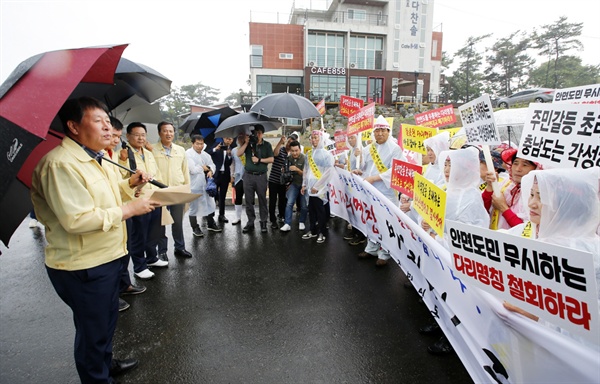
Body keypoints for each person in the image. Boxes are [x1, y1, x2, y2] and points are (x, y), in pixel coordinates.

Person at [31, 97, 159, 383]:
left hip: (108, 257)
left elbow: (107, 197)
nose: (107, 128)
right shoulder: (60, 165)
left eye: (107, 120)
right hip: (84, 265)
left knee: (105, 323)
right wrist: (130, 209)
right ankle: (96, 377)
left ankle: (105, 363)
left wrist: (130, 185)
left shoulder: (93, 158)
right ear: (73, 126)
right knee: (93, 331)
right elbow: (77, 220)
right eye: (98, 121)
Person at [503, 167, 600, 343]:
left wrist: (538, 316)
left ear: (567, 204)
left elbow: (590, 326)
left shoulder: (589, 256)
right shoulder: (533, 230)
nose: (531, 203)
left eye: (542, 197)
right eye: (531, 194)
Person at [353, 116, 405, 266]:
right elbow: (364, 168)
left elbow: (395, 171)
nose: (380, 133)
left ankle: (385, 253)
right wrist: (358, 165)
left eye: (383, 130)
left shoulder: (395, 149)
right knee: (371, 220)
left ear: (388, 131)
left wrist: (375, 178)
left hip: (386, 192)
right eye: (377, 131)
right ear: (373, 133)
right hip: (370, 191)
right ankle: (371, 248)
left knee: (385, 223)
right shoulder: (369, 148)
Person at [119, 122, 168, 280]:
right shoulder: (123, 154)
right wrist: (123, 161)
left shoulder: (147, 153)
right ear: (128, 136)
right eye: (136, 135)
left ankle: (152, 258)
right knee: (139, 234)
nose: (140, 138)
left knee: (153, 231)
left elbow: (157, 173)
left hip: (154, 197)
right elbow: (122, 177)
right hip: (138, 199)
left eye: (143, 135)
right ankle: (139, 266)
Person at [107, 117, 146, 312]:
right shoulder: (107, 157)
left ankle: (124, 284)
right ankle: (112, 296)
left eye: (116, 135)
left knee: (125, 247)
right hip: (114, 213)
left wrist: (132, 183)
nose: (114, 139)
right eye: (110, 134)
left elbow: (118, 186)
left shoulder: (108, 155)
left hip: (121, 209)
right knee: (112, 256)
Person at [152, 121, 193, 259]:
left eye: (171, 131)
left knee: (178, 221)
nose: (168, 134)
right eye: (165, 131)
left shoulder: (180, 150)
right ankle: (162, 251)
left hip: (177, 190)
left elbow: (185, 170)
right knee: (160, 224)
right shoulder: (152, 149)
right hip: (160, 191)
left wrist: (187, 188)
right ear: (159, 133)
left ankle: (179, 248)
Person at [482, 147, 541, 230]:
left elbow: (528, 231)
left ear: (536, 168)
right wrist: (490, 187)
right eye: (515, 163)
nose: (518, 169)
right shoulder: (506, 184)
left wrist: (503, 208)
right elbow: (481, 211)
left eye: (525, 165)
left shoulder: (538, 195)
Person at [236, 125, 274, 233]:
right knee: (249, 200)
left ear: (262, 133)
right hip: (248, 176)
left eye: (259, 133)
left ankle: (263, 222)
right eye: (255, 133)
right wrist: (246, 143)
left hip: (261, 176)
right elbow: (238, 153)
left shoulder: (266, 145)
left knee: (262, 199)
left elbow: (271, 159)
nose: (257, 135)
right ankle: (250, 222)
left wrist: (259, 160)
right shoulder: (249, 144)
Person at [302, 130, 334, 243]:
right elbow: (306, 170)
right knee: (311, 210)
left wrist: (318, 186)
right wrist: (304, 184)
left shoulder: (326, 154)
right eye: (312, 138)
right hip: (310, 188)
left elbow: (328, 172)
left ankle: (322, 232)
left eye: (316, 138)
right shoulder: (309, 153)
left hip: (320, 189)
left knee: (321, 211)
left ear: (321, 139)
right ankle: (313, 230)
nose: (314, 140)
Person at [186, 134, 220, 235]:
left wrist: (210, 170)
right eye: (197, 144)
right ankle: (195, 227)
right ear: (192, 143)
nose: (200, 146)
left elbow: (212, 165)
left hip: (206, 185)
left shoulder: (205, 155)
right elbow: (192, 170)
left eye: (201, 144)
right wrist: (203, 167)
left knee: (209, 204)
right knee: (194, 207)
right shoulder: (188, 154)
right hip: (194, 185)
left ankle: (211, 223)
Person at [280, 140, 307, 232]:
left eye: (296, 150)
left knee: (303, 205)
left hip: (304, 184)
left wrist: (297, 169)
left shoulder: (305, 158)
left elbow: (307, 175)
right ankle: (287, 223)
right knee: (289, 203)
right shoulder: (288, 159)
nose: (294, 153)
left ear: (300, 149)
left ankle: (302, 221)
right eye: (292, 151)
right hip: (293, 184)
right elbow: (285, 173)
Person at [209, 137, 234, 224]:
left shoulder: (231, 149)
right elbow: (208, 153)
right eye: (227, 138)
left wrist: (229, 155)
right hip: (216, 174)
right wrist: (215, 149)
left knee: (223, 196)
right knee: (213, 194)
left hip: (225, 175)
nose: (228, 140)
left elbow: (230, 163)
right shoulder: (217, 145)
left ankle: (221, 215)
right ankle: (210, 215)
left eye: (230, 139)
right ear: (223, 138)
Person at [268, 135, 289, 229]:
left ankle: (281, 216)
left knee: (282, 201)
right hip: (273, 180)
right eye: (289, 141)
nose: (289, 143)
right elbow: (275, 154)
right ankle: (273, 220)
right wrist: (280, 142)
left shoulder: (292, 154)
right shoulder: (281, 149)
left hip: (283, 182)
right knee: (272, 201)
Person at [230, 132, 246, 225]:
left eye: (242, 138)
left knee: (249, 198)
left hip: (248, 177)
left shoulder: (249, 149)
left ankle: (250, 218)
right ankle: (237, 217)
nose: (240, 140)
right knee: (238, 197)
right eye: (239, 138)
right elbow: (232, 164)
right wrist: (232, 175)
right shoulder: (234, 151)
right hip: (238, 177)